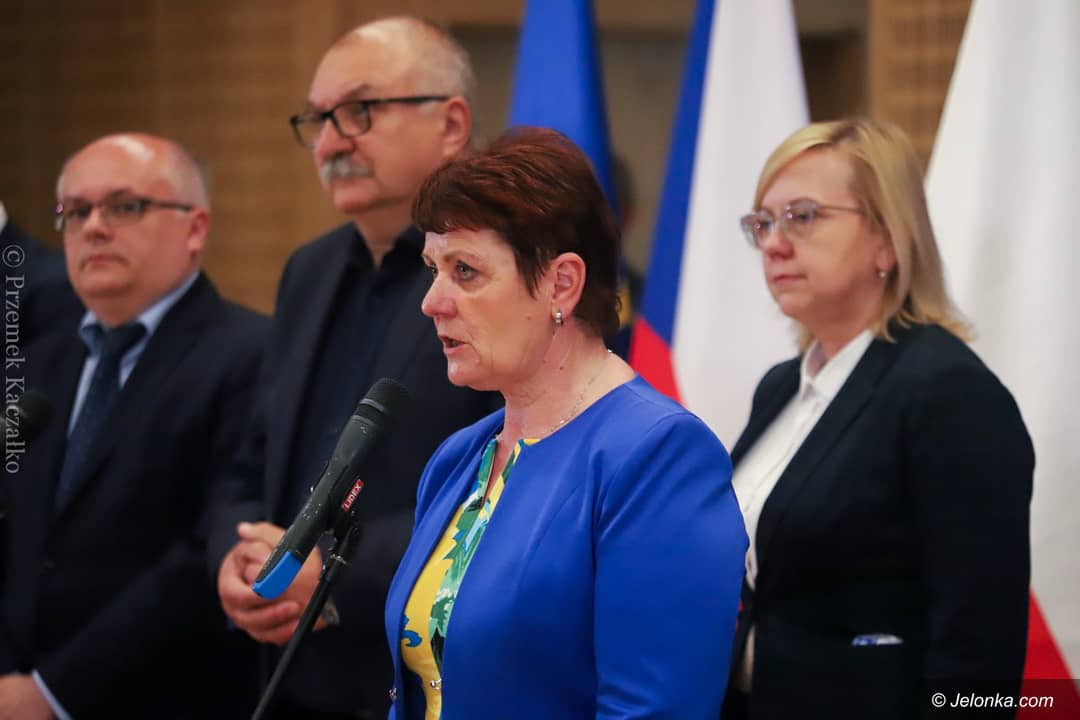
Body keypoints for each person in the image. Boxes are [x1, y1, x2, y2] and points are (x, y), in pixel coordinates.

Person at [383, 127, 747, 719]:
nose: (433, 302)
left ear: (562, 283)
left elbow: (653, 710)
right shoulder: (458, 458)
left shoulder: (658, 457)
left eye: (465, 271)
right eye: (433, 269)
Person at [210, 17, 499, 720]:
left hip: (425, 678)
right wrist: (239, 557)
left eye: (360, 111)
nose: (332, 142)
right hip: (284, 676)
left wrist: (332, 576)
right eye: (318, 119)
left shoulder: (501, 278)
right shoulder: (307, 271)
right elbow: (251, 461)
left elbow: (510, 481)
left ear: (451, 123)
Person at [722, 118, 1033, 719]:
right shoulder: (781, 387)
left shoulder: (947, 391)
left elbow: (979, 648)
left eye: (802, 216)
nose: (774, 244)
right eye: (763, 223)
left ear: (888, 240)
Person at [0, 133, 267, 719]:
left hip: (168, 700)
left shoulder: (253, 355)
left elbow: (207, 551)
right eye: (76, 211)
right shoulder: (35, 364)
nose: (94, 227)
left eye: (125, 207)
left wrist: (51, 693)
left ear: (195, 229)